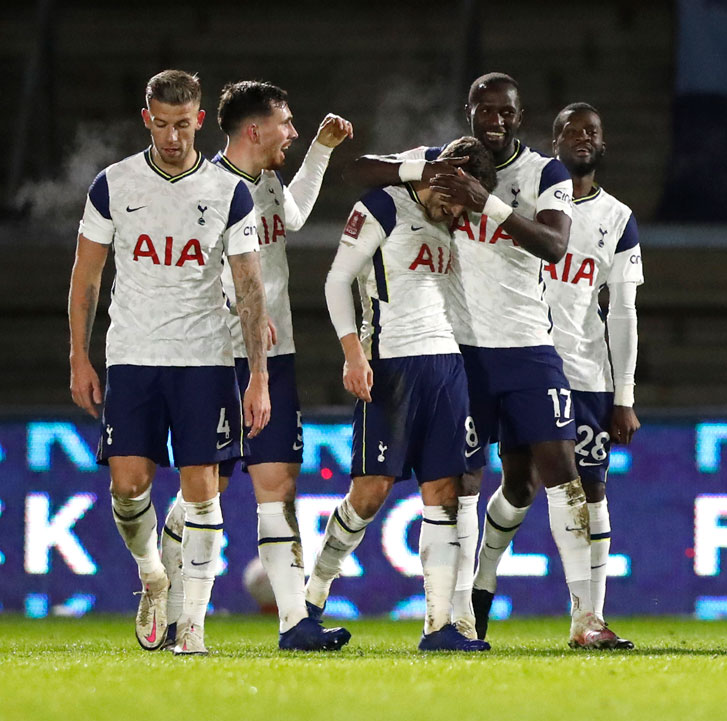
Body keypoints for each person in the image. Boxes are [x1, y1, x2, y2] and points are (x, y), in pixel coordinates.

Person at [342, 73, 617, 648]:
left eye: (505, 113)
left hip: (527, 348)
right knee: (461, 483)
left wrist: (482, 200)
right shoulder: (446, 159)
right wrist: (428, 172)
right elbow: (359, 167)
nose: (494, 122)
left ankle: (586, 619)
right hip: (461, 350)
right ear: (468, 112)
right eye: (484, 111)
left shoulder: (546, 172)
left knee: (562, 476)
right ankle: (457, 616)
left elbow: (553, 244)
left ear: (521, 116)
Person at [68, 69, 271, 656]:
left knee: (203, 491)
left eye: (182, 125)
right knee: (128, 489)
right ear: (146, 118)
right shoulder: (113, 184)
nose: (172, 137)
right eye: (161, 124)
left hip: (205, 358)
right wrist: (79, 356)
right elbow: (87, 276)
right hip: (132, 354)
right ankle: (153, 575)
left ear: (200, 120)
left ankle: (193, 629)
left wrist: (257, 376)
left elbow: (250, 287)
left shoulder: (229, 192)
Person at [155, 81, 354, 651]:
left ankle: (295, 623)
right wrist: (237, 312)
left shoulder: (265, 180)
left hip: (278, 353)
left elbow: (291, 218)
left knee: (278, 483)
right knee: (207, 486)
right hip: (219, 355)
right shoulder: (202, 189)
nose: (290, 132)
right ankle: (175, 598)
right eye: (287, 124)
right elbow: (182, 274)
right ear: (254, 129)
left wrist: (319, 150)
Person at [305, 137, 495, 651]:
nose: (457, 213)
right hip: (392, 362)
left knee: (445, 496)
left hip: (448, 365)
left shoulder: (456, 219)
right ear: (440, 174)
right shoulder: (383, 203)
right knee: (370, 495)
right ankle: (314, 592)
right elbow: (336, 279)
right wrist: (352, 353)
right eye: (453, 197)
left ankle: (438, 629)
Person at [470, 103, 642, 649]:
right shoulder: (529, 195)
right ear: (552, 140)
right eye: (570, 130)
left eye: (592, 131)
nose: (581, 138)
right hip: (526, 358)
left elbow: (623, 311)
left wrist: (624, 393)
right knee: (518, 488)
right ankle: (480, 589)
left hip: (586, 371)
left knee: (589, 491)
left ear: (603, 143)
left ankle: (587, 618)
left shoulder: (617, 217)